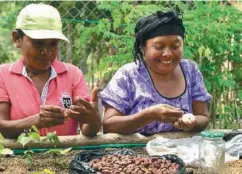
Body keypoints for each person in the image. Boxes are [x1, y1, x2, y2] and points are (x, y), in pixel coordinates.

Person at [99, 10, 211, 136]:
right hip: (134, 152)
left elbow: (203, 116)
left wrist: (192, 123)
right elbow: (109, 125)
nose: (168, 53)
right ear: (142, 48)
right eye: (159, 47)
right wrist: (149, 115)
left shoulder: (190, 71)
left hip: (183, 150)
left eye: (175, 46)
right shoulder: (128, 75)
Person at [0, 3, 101, 138]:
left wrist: (94, 121)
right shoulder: (3, 75)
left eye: (53, 44)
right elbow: (2, 127)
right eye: (38, 43)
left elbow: (87, 130)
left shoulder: (72, 75)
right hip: (18, 157)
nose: (47, 52)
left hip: (66, 156)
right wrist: (36, 122)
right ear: (17, 39)